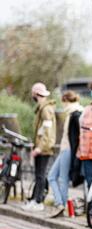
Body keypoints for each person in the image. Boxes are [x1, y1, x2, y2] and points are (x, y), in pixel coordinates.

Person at [47, 91, 84, 218]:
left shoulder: (75, 114)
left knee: (62, 179)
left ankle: (60, 204)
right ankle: (60, 203)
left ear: (66, 101)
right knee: (52, 176)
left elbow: (74, 137)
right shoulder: (73, 113)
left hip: (68, 149)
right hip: (65, 148)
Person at [23, 83, 56, 212]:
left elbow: (47, 131)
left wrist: (40, 147)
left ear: (36, 94)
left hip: (44, 148)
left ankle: (38, 201)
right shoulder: (43, 108)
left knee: (41, 175)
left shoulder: (45, 109)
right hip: (42, 147)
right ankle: (34, 199)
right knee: (39, 175)